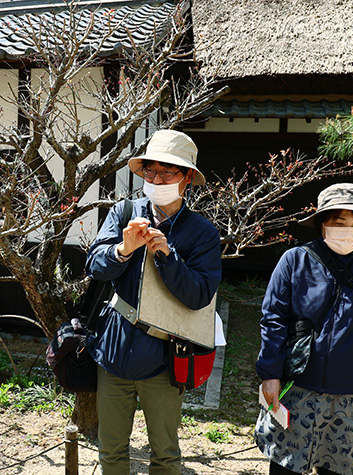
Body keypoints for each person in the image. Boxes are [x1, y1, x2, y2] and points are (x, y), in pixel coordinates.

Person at [86, 129, 221, 474]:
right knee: (111, 450)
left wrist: (167, 257)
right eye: (150, 171)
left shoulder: (201, 232)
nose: (156, 179)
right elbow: (94, 266)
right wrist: (122, 249)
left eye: (167, 172)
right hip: (114, 351)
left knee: (165, 453)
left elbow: (199, 295)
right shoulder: (124, 212)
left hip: (164, 358)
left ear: (187, 177)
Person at [255, 183, 353, 475]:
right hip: (297, 389)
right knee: (286, 467)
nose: (349, 230)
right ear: (323, 224)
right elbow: (274, 320)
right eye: (340, 222)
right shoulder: (295, 260)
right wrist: (270, 375)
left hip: (352, 397)